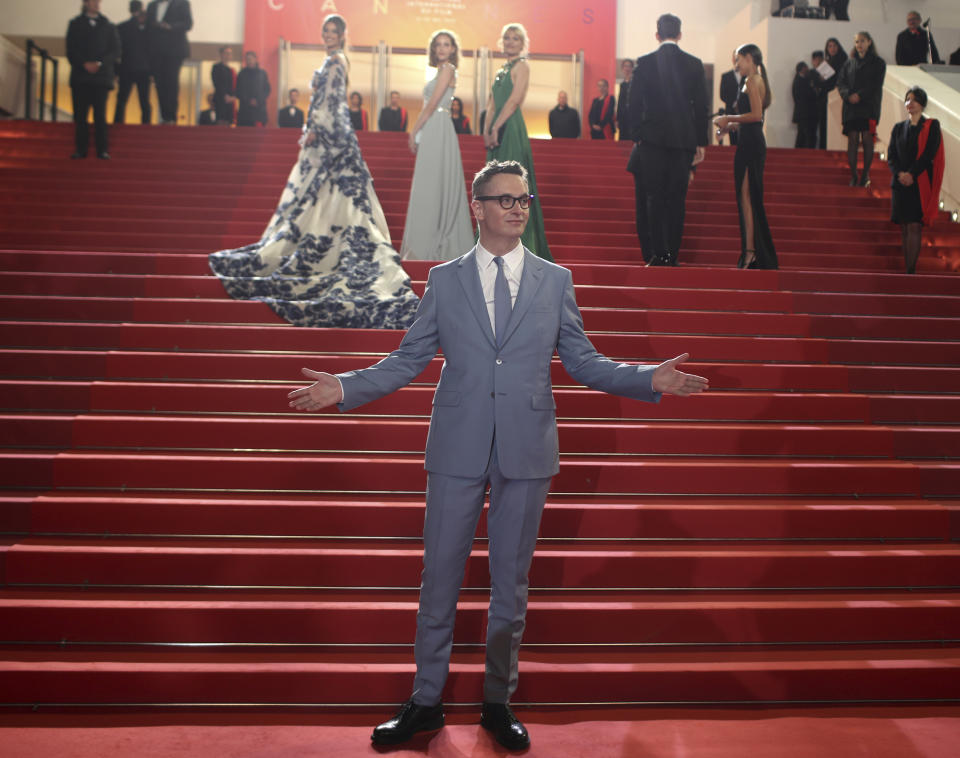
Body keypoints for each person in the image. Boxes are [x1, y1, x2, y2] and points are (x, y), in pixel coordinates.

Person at [288, 159, 709, 751]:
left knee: (511, 583)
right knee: (439, 579)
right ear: (477, 206)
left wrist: (646, 379)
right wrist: (347, 387)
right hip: (457, 446)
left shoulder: (554, 280)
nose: (517, 208)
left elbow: (583, 361)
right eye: (505, 199)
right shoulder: (443, 280)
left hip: (526, 449)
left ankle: (496, 701)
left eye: (524, 199)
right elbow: (408, 360)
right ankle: (425, 702)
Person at [208, 14, 418, 329]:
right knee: (321, 199)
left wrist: (316, 130)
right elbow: (323, 102)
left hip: (332, 137)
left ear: (343, 34)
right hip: (330, 136)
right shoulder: (333, 60)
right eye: (325, 31)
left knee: (330, 198)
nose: (328, 35)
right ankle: (322, 247)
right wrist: (312, 127)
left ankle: (332, 251)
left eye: (333, 31)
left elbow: (333, 103)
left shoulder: (336, 62)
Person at [627, 13, 708, 267]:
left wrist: (638, 135)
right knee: (676, 199)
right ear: (680, 35)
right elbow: (701, 107)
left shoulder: (644, 63)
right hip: (683, 141)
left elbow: (633, 104)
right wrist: (700, 141)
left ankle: (657, 254)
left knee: (653, 197)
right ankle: (672, 254)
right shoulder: (695, 65)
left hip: (651, 140)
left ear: (657, 35)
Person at [400, 29, 474, 261]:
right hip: (435, 127)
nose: (442, 48)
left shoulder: (449, 69)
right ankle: (428, 237)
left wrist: (414, 129)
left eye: (446, 44)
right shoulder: (440, 70)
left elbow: (431, 105)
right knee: (430, 183)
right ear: (434, 49)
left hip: (438, 126)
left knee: (436, 182)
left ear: (453, 49)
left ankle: (439, 239)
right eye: (438, 45)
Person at [484, 23, 552, 261]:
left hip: (510, 127)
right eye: (507, 38)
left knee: (512, 186)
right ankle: (494, 243)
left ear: (523, 44)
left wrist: (496, 127)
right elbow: (492, 103)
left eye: (515, 38)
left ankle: (522, 245)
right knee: (493, 186)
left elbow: (514, 101)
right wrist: (487, 130)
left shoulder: (522, 66)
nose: (511, 41)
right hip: (497, 129)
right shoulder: (501, 69)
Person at [714, 43, 778, 270]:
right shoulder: (751, 81)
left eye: (739, 59)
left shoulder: (752, 81)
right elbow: (750, 117)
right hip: (748, 141)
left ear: (750, 59)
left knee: (748, 199)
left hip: (751, 145)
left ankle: (752, 253)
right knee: (746, 199)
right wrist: (729, 126)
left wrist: (728, 118)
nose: (736, 64)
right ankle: (750, 251)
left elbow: (756, 116)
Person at [887, 86, 944, 274]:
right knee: (904, 226)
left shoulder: (931, 126)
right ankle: (907, 266)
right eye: (907, 100)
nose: (909, 103)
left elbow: (929, 154)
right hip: (901, 184)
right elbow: (891, 156)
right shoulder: (898, 128)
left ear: (922, 103)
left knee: (914, 225)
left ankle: (911, 270)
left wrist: (911, 174)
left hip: (919, 183)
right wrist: (900, 174)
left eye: (913, 100)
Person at [66, 0, 120, 160]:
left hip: (101, 79)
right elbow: (71, 49)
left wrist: (100, 64)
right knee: (80, 116)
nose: (96, 4)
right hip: (81, 78)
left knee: (100, 116)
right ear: (85, 3)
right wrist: (84, 64)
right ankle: (80, 150)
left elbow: (116, 50)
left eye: (98, 1)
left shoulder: (109, 26)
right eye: (92, 1)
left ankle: (102, 150)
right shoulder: (75, 24)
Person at [837, 31, 886, 188]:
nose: (859, 44)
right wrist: (848, 95)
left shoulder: (878, 63)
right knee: (852, 141)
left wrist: (860, 95)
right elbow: (841, 82)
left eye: (862, 41)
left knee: (867, 140)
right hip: (851, 108)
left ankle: (865, 175)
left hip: (869, 107)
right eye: (857, 41)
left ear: (869, 42)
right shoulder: (849, 63)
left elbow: (876, 84)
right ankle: (853, 176)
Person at [146, 0, 191, 124]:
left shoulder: (182, 3)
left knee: (171, 81)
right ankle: (165, 116)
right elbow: (148, 29)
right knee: (159, 83)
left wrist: (170, 26)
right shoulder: (152, 6)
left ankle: (171, 116)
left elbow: (188, 24)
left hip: (174, 50)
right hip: (156, 51)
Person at [113, 0, 152, 125]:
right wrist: (116, 71)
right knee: (125, 99)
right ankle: (121, 124)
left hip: (138, 69)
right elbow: (116, 52)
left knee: (141, 101)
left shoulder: (148, 28)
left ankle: (121, 124)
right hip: (130, 69)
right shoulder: (122, 28)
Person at [820, 38, 847, 149]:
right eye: (829, 46)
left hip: (837, 96)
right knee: (824, 124)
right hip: (825, 96)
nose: (832, 48)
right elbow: (821, 80)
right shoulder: (827, 62)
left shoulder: (843, 61)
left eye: (834, 46)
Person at [235, 51, 270, 127]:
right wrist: (248, 101)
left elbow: (267, 90)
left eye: (251, 59)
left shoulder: (262, 73)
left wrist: (258, 100)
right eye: (247, 59)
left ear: (256, 59)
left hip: (259, 112)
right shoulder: (241, 74)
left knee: (259, 137)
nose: (249, 61)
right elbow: (238, 91)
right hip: (244, 113)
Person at [792, 62, 821, 149]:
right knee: (807, 135)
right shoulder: (799, 81)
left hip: (805, 114)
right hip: (805, 113)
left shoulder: (804, 79)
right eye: (806, 68)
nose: (808, 69)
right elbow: (804, 96)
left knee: (804, 135)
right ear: (802, 69)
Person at [718, 51, 740, 146]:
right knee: (733, 140)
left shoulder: (748, 76)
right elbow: (723, 95)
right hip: (730, 111)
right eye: (735, 57)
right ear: (732, 59)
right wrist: (734, 103)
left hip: (745, 114)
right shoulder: (726, 76)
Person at [211, 46, 236, 125]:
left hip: (230, 100)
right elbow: (217, 83)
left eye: (230, 54)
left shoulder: (231, 70)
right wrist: (225, 95)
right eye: (226, 53)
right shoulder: (216, 67)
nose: (228, 55)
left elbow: (233, 85)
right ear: (221, 54)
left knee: (228, 121)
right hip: (220, 99)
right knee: (220, 121)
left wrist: (233, 97)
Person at [616, 58, 633, 141]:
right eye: (625, 66)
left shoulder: (635, 83)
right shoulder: (622, 84)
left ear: (632, 68)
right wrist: (618, 119)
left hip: (633, 115)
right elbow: (620, 102)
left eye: (629, 66)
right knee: (623, 138)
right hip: (623, 116)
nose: (627, 68)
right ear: (622, 69)